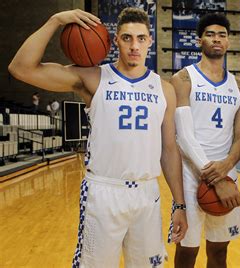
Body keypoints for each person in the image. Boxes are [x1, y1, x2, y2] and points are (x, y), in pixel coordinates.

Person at [9, 7, 188, 267]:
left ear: (150, 41)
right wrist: (55, 20)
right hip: (104, 191)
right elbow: (21, 68)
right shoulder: (93, 78)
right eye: (127, 38)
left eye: (140, 38)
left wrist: (179, 206)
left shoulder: (165, 89)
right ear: (115, 41)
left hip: (147, 194)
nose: (134, 46)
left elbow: (170, 151)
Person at [170, 13, 240, 268]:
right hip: (190, 175)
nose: (217, 39)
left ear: (228, 42)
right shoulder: (183, 78)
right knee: (187, 252)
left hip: (225, 173)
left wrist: (225, 169)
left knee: (219, 252)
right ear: (199, 40)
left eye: (222, 35)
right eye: (211, 34)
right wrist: (215, 176)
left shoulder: (239, 87)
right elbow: (183, 135)